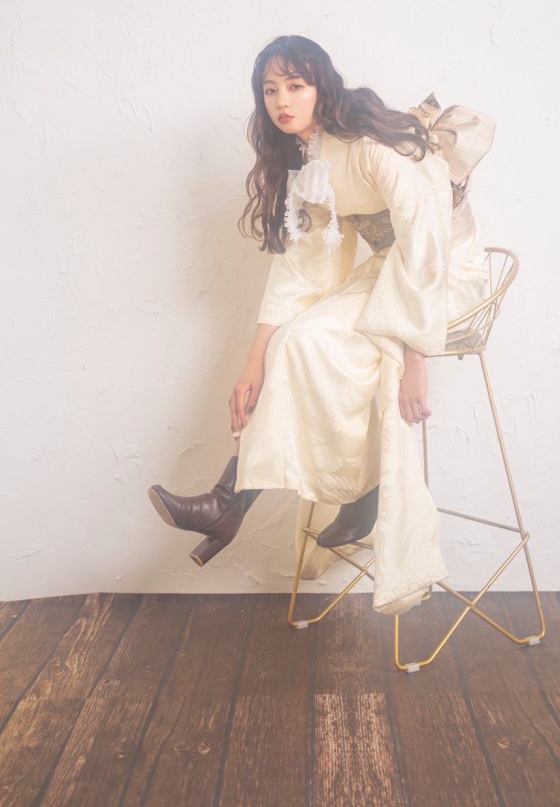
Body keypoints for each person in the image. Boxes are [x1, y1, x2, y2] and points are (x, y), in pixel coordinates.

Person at [148, 34, 495, 616]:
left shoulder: (370, 147)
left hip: (444, 276)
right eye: (270, 90)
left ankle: (347, 494)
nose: (282, 101)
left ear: (322, 87)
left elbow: (425, 242)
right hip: (391, 271)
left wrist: (416, 357)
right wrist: (253, 360)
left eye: (296, 85)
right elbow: (302, 267)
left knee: (316, 345)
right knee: (292, 341)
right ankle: (232, 501)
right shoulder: (310, 162)